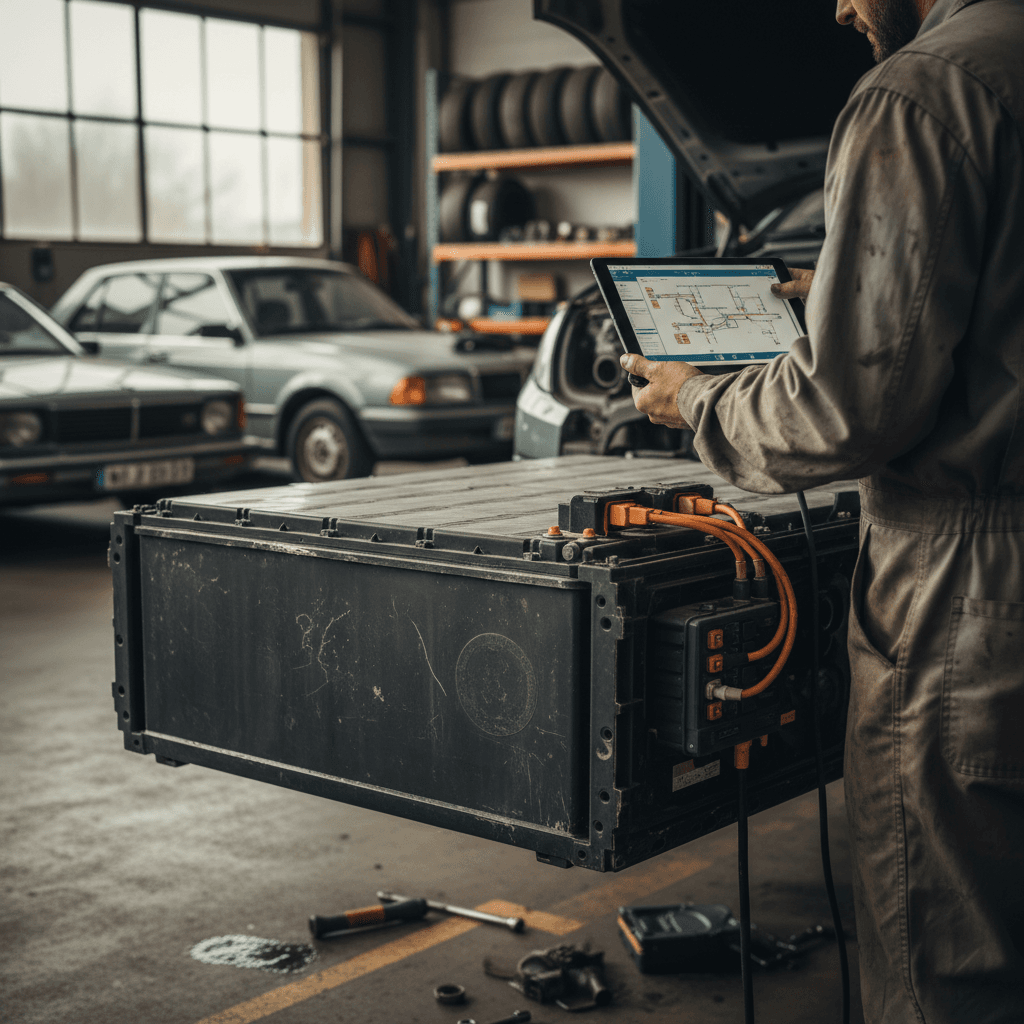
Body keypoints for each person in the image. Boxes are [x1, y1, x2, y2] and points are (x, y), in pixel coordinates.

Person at [619, 1, 1024, 1021]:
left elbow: (843, 412)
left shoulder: (920, 91)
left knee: (952, 960)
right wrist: (843, 287)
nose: (842, 6)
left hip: (973, 586)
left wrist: (692, 398)